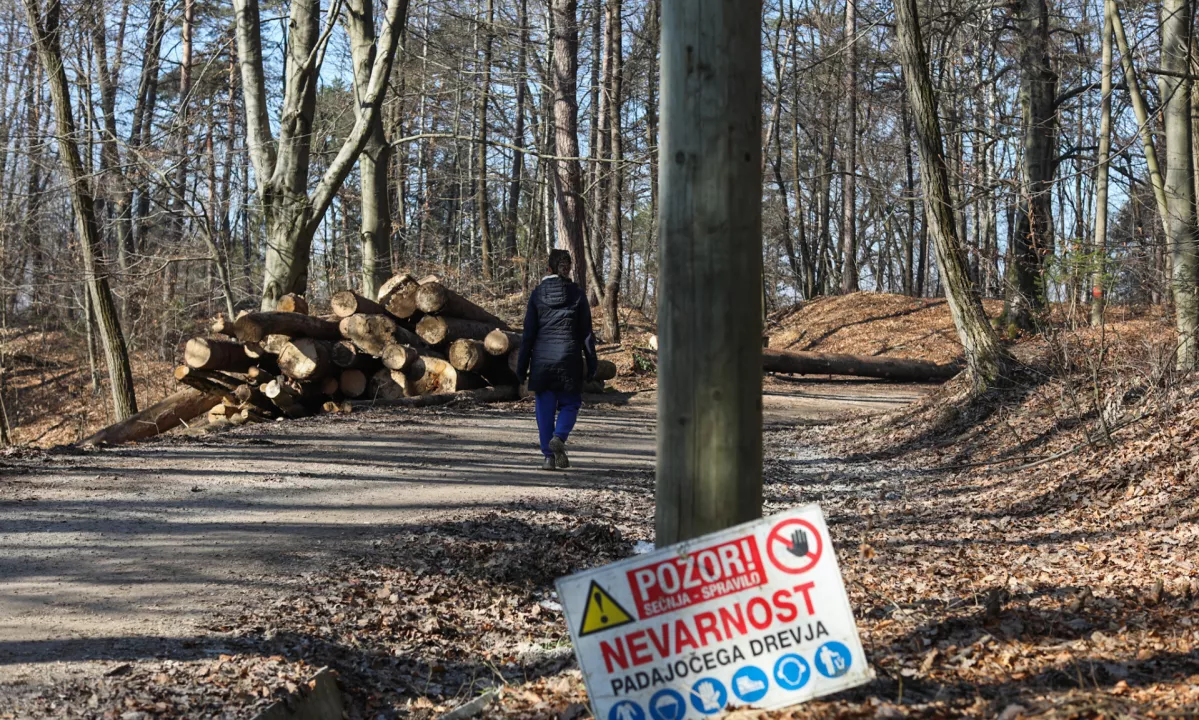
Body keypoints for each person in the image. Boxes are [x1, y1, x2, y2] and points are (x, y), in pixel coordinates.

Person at [517, 250, 598, 470]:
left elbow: (528, 335)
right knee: (571, 403)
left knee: (544, 408)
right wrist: (592, 364)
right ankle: (559, 437)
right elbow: (587, 334)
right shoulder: (578, 295)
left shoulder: (537, 294)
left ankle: (548, 458)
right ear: (568, 268)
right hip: (569, 359)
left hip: (542, 361)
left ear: (549, 269)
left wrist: (521, 366)